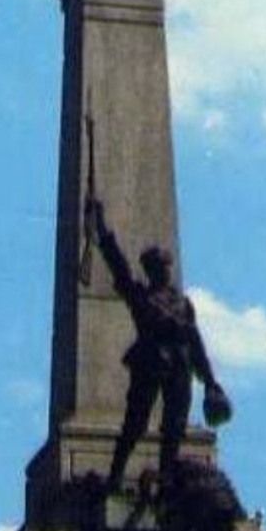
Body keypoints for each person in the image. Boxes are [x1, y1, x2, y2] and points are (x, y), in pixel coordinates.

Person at [87, 198, 231, 491]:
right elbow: (119, 267)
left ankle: (166, 478)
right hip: (151, 363)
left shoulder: (182, 302)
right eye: (161, 267)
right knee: (135, 422)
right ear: (152, 270)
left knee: (175, 426)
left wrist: (211, 380)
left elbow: (195, 341)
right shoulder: (140, 296)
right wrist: (101, 230)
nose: (166, 271)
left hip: (180, 365)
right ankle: (116, 474)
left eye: (167, 266)